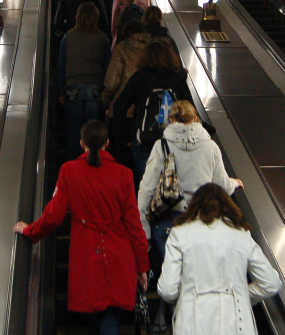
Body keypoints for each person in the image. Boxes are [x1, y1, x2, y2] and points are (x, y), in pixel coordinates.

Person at [15, 121, 149, 335]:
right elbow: (134, 224)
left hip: (87, 255)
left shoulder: (69, 171)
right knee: (110, 318)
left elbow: (53, 216)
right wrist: (142, 265)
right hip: (118, 255)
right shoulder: (124, 174)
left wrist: (30, 231)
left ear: (81, 143)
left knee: (94, 318)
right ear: (107, 143)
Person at [157, 183, 281, 335]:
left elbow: (167, 289)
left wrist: (186, 295)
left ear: (194, 205)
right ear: (227, 205)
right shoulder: (241, 234)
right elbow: (271, 283)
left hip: (191, 321)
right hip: (238, 321)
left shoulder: (179, 234)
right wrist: (241, 293)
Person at [136, 100, 240, 254]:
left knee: (169, 275)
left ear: (170, 120)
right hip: (201, 221)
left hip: (168, 223)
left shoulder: (161, 146)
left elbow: (147, 189)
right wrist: (234, 183)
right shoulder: (211, 147)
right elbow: (222, 186)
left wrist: (144, 231)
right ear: (196, 119)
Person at [113, 41, 193, 183]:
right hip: (174, 142)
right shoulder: (178, 78)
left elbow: (119, 107)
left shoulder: (140, 78)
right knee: (172, 188)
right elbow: (190, 108)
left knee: (148, 187)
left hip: (144, 141)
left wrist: (127, 136)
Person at [59, 2, 112, 157]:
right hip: (96, 90)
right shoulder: (103, 38)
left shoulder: (68, 37)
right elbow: (108, 66)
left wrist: (62, 92)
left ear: (78, 17)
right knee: (95, 134)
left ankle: (74, 168)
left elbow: (61, 66)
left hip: (73, 90)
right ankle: (96, 167)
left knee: (75, 132)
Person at [103, 20, 151, 159]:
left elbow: (112, 82)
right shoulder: (152, 49)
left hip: (121, 110)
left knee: (120, 155)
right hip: (143, 113)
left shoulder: (122, 48)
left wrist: (105, 102)